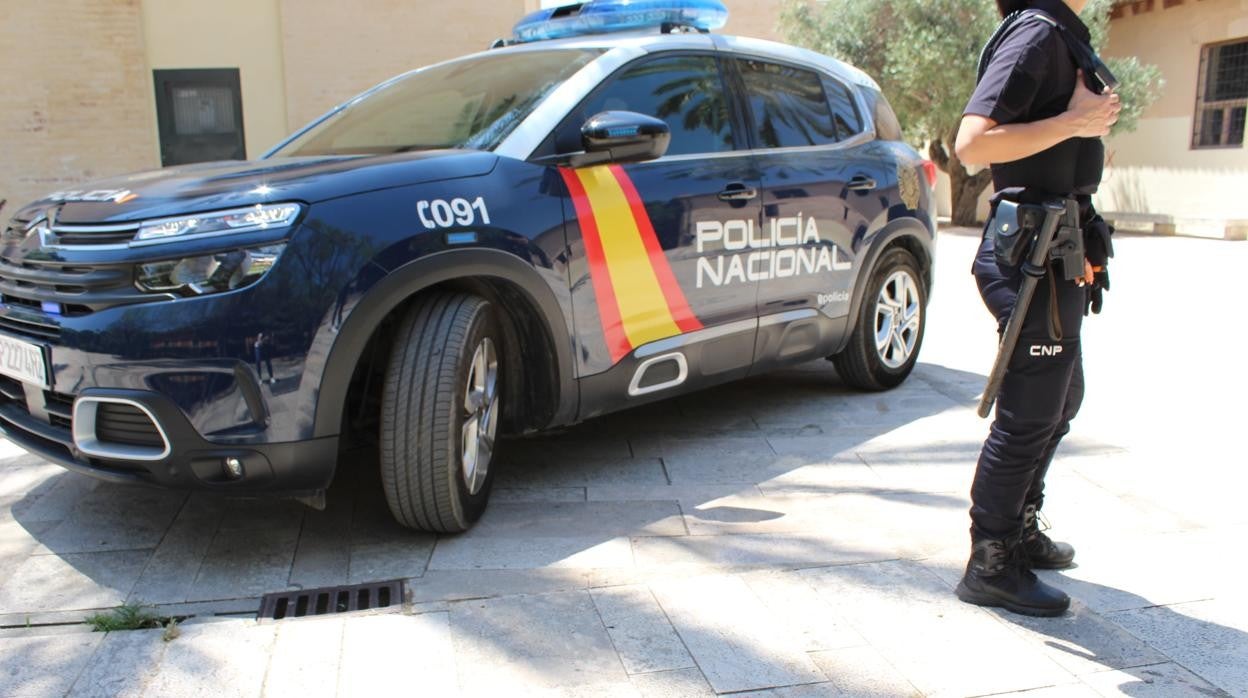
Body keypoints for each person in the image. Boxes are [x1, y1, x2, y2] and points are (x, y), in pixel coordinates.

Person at [953, 0, 1120, 617]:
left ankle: (1019, 527)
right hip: (1030, 256)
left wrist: (1079, 125)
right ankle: (991, 563)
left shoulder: (1059, 33)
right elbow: (972, 144)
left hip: (1059, 248)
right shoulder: (1036, 32)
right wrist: (1077, 122)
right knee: (1030, 412)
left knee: (1062, 398)